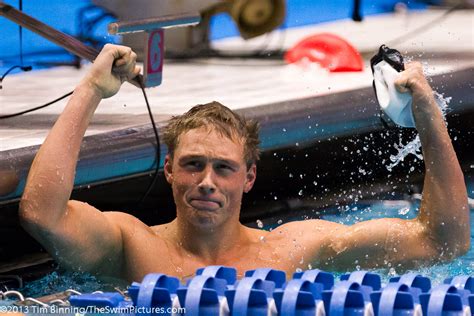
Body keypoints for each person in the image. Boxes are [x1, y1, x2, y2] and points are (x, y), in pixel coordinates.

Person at [19, 44, 470, 283]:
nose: (207, 182)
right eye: (193, 165)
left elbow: (440, 243)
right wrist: (91, 90)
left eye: (224, 168)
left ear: (249, 176)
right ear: (169, 169)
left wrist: (427, 119)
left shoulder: (295, 251)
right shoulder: (129, 246)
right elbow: (42, 214)